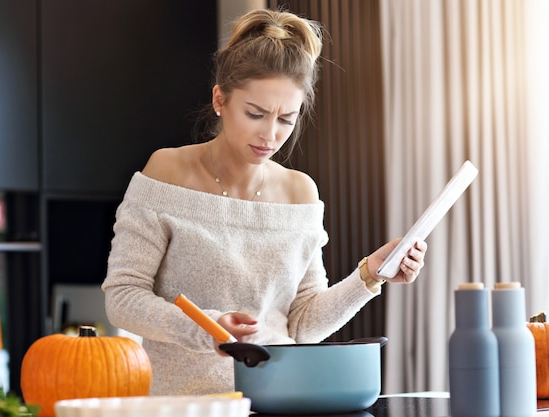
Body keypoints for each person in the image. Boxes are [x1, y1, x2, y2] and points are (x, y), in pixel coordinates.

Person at [102, 8, 427, 396]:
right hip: (186, 404)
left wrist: (371, 274)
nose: (270, 135)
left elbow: (303, 323)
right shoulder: (167, 172)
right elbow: (122, 296)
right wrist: (207, 327)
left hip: (281, 400)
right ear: (220, 99)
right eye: (255, 114)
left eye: (286, 119)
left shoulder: (300, 192)